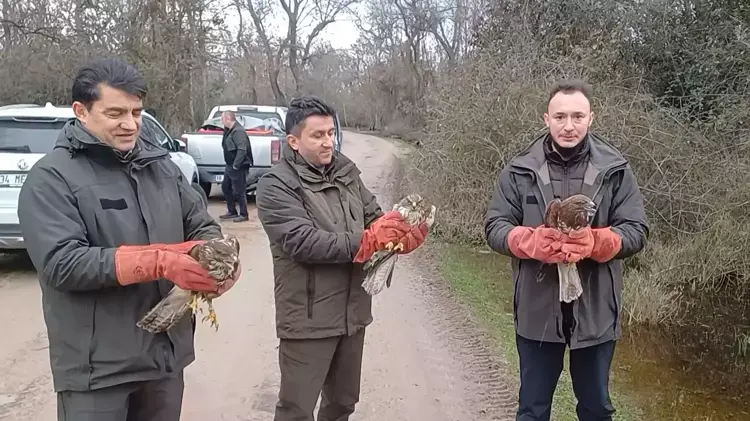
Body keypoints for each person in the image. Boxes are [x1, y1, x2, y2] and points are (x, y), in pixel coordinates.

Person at [17, 57, 240, 421]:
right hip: (97, 371)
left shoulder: (161, 167)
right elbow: (62, 264)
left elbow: (201, 224)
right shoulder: (51, 178)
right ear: (81, 111)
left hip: (164, 359)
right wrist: (159, 261)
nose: (130, 124)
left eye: (137, 112)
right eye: (116, 113)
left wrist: (215, 260)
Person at [256, 96, 429, 421]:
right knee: (296, 410)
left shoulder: (346, 173)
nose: (328, 142)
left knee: (342, 405)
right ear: (293, 141)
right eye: (317, 135)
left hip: (353, 313)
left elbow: (374, 218)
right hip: (308, 320)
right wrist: (368, 241)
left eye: (331, 133)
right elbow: (302, 243)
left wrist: (400, 236)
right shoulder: (276, 185)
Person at [484, 79, 649, 421]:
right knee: (532, 410)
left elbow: (636, 231)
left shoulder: (616, 170)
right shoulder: (518, 170)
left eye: (577, 116)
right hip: (537, 311)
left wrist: (598, 243)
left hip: (596, 313)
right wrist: (527, 241)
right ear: (546, 118)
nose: (568, 125)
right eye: (560, 117)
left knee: (595, 410)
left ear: (592, 118)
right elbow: (495, 226)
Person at [219, 110, 252, 222]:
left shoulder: (238, 131)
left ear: (228, 119)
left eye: (222, 119)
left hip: (238, 166)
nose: (221, 121)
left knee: (239, 191)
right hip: (229, 165)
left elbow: (242, 150)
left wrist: (236, 166)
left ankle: (244, 214)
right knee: (226, 187)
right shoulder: (228, 130)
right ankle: (232, 211)